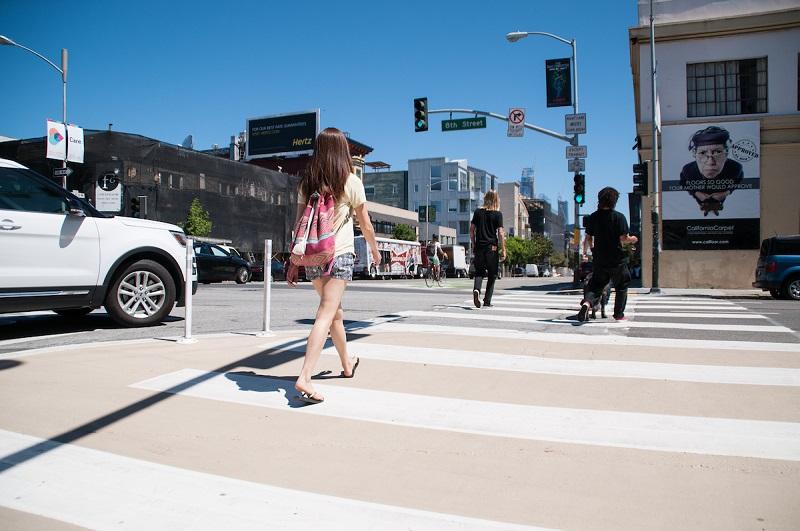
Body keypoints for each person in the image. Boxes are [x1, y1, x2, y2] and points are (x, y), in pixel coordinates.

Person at [287, 127, 381, 404]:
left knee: (335, 313)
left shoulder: (307, 182)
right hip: (339, 254)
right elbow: (365, 223)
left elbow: (298, 226)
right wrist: (374, 250)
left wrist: (294, 259)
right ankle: (305, 376)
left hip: (314, 257)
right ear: (343, 151)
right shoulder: (350, 181)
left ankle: (347, 363)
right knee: (326, 314)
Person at [577, 187, 638, 322]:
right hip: (617, 259)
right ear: (614, 201)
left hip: (600, 258)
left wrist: (587, 252)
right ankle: (618, 314)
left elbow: (588, 238)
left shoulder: (593, 217)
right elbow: (624, 239)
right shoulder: (619, 217)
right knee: (622, 285)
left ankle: (587, 304)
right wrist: (633, 239)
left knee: (596, 285)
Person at [679, 126, 744, 216]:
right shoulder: (688, 170)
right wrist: (696, 193)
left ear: (726, 153)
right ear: (694, 153)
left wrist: (726, 192)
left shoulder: (735, 168)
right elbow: (683, 182)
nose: (710, 162)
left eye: (717, 152)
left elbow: (739, 179)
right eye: (702, 153)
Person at [470, 190, 505, 308]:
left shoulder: (478, 212)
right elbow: (500, 232)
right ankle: (487, 300)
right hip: (492, 247)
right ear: (496, 200)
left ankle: (477, 290)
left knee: (479, 272)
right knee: (492, 274)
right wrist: (503, 248)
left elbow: (471, 229)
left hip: (479, 246)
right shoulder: (497, 214)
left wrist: (474, 244)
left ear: (485, 198)